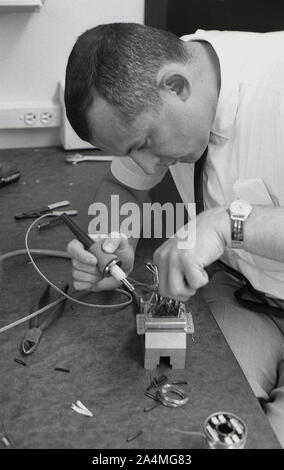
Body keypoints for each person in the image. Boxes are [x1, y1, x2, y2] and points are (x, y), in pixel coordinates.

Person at [64, 23, 284, 446]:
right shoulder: (176, 90)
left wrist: (224, 224)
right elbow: (123, 187)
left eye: (145, 142)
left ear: (177, 85)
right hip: (246, 294)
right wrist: (115, 241)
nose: (147, 166)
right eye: (131, 151)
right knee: (196, 422)